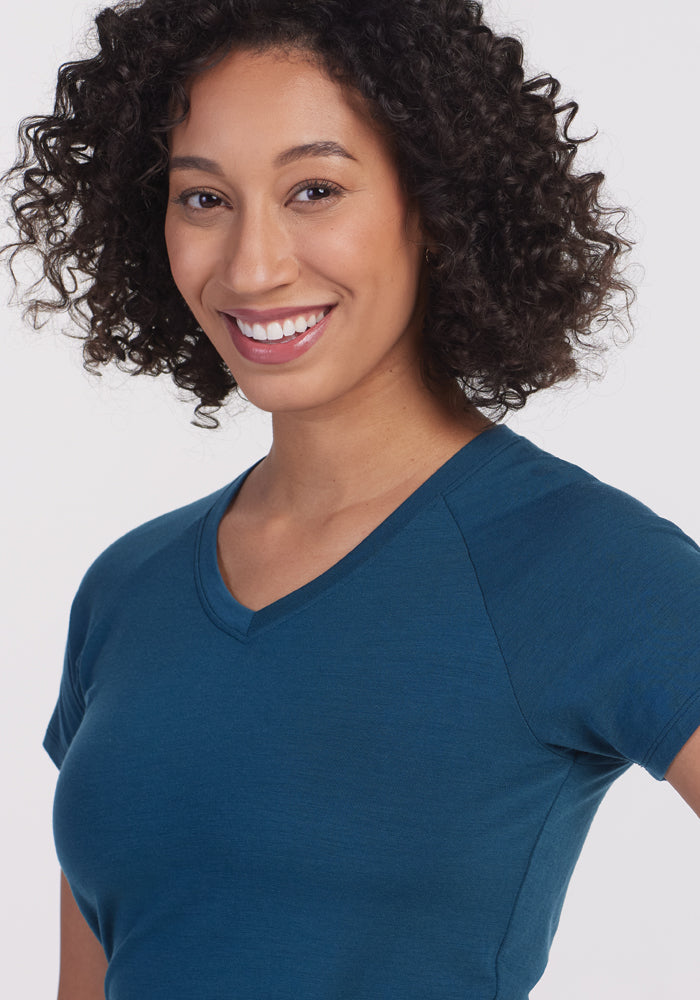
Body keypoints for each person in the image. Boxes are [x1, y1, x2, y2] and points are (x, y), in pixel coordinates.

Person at [3, 0, 699, 997]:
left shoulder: (580, 563)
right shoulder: (130, 589)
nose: (252, 265)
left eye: (315, 189)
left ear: (435, 203)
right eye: (203, 199)